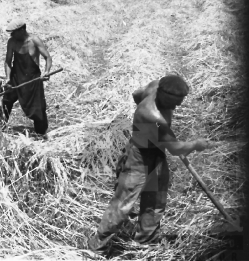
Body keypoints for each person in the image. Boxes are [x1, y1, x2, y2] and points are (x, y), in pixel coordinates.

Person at [87, 75, 211, 256]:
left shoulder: (154, 86)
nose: (176, 107)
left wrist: (155, 135)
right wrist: (194, 144)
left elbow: (135, 94)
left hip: (156, 153)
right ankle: (96, 248)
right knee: (123, 204)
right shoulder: (151, 115)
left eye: (179, 102)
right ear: (162, 94)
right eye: (173, 103)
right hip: (138, 157)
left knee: (155, 198)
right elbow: (175, 149)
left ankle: (145, 241)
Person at [0, 19, 52, 135]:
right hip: (16, 77)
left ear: (22, 30)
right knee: (6, 100)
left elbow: (47, 57)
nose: (12, 35)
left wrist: (46, 72)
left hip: (32, 79)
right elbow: (8, 61)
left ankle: (41, 133)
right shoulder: (12, 42)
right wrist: (8, 77)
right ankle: (0, 126)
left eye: (14, 32)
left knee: (37, 108)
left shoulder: (34, 40)